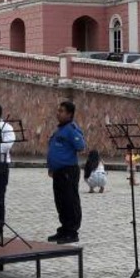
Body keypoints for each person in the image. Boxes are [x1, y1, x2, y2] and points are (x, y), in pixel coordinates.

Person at [47, 100, 86, 243]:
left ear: (69, 114)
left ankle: (72, 231)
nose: (58, 113)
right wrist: (51, 167)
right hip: (58, 172)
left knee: (70, 201)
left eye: (61, 111)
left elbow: (81, 146)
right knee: (60, 201)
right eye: (58, 110)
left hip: (68, 171)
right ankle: (64, 229)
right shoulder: (59, 129)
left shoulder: (71, 129)